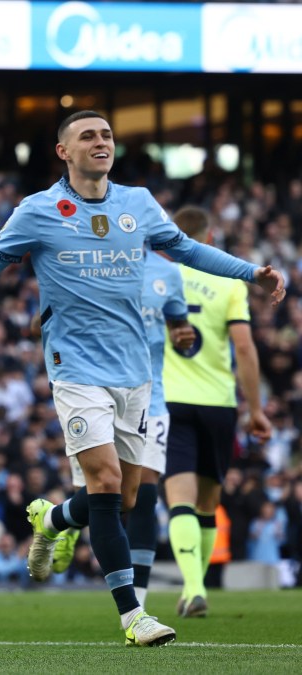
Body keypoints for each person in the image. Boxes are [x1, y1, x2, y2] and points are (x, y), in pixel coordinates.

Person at [0, 110, 285, 647]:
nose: (101, 143)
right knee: (102, 482)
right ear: (63, 152)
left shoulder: (138, 203)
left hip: (134, 371)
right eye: (88, 137)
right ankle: (133, 616)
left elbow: (187, 250)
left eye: (106, 135)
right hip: (74, 367)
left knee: (122, 499)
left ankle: (51, 520)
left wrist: (250, 271)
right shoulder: (39, 210)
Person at [31, 235, 195, 607]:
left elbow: (182, 330)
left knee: (137, 497)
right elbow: (42, 319)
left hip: (148, 395)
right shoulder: (89, 263)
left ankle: (56, 520)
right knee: (109, 491)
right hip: (93, 387)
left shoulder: (168, 274)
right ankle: (133, 608)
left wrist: (186, 338)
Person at [161, 206, 272, 618]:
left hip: (170, 402)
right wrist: (256, 410)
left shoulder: (158, 277)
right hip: (219, 405)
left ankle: (192, 588)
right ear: (208, 242)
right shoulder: (228, 283)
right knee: (208, 505)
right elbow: (244, 347)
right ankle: (197, 586)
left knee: (180, 503)